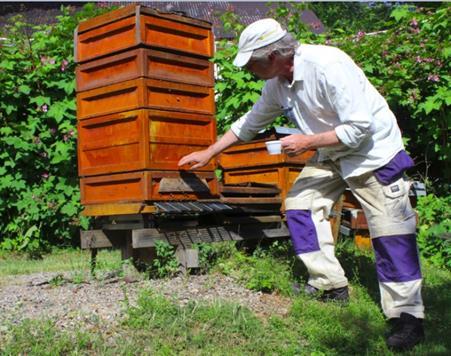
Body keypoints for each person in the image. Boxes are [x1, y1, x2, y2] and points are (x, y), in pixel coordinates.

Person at [178, 18, 424, 351]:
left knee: (391, 234)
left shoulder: (329, 65)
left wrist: (307, 141)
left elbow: (359, 128)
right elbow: (250, 122)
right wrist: (209, 153)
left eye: (253, 61)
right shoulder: (277, 82)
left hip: (372, 154)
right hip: (331, 153)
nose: (249, 68)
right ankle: (329, 285)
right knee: (300, 207)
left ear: (275, 54)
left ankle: (407, 319)